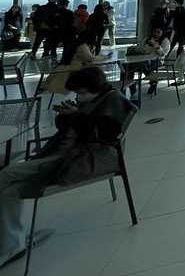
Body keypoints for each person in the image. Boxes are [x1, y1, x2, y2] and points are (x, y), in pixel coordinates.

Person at [0, 66, 132, 271]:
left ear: (92, 87)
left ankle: (10, 244)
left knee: (7, 173)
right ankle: (11, 243)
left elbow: (103, 136)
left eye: (80, 92)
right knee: (8, 191)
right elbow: (71, 127)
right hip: (66, 154)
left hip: (76, 158)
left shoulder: (112, 101)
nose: (78, 97)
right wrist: (69, 115)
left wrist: (77, 115)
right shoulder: (96, 98)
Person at [44, 29, 113, 94]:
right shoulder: (83, 47)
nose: (97, 38)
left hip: (69, 70)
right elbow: (91, 58)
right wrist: (105, 57)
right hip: (73, 71)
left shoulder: (79, 45)